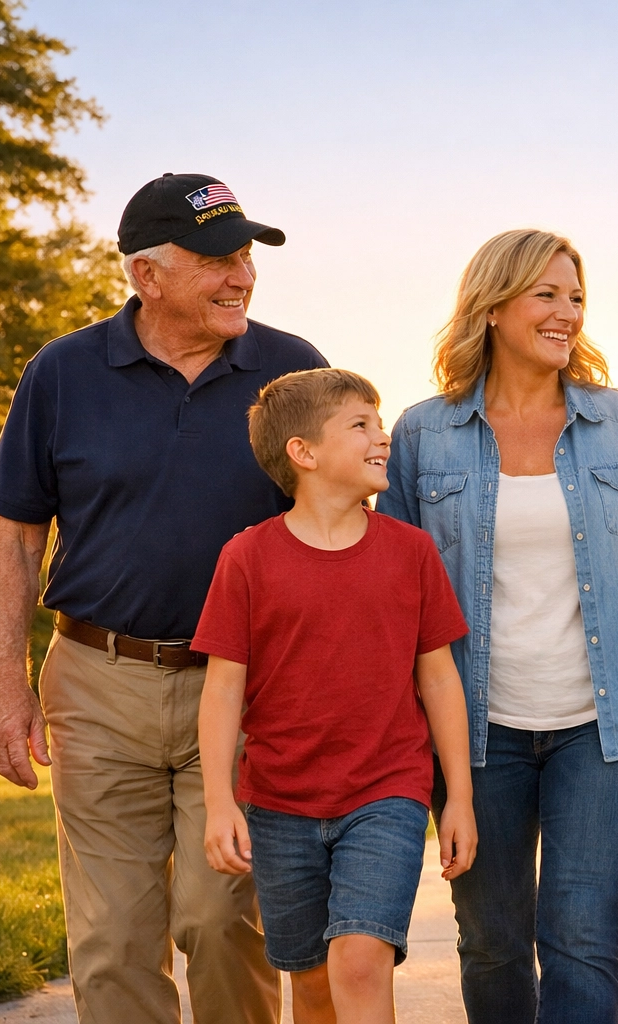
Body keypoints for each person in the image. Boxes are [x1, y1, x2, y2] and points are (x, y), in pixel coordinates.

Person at [0, 173, 327, 1023]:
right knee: (112, 941)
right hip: (98, 680)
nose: (241, 274)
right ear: (147, 275)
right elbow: (15, 540)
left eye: (247, 254)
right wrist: (6, 689)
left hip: (243, 688)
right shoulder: (62, 372)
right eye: (217, 258)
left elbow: (335, 533)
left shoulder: (294, 371)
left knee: (219, 918)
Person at [379, 228, 618, 1023]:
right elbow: (397, 601)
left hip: (604, 731)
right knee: (494, 941)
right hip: (476, 733)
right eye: (547, 294)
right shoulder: (420, 433)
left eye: (576, 297)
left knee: (581, 936)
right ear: (493, 305)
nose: (567, 312)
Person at [191, 368, 476, 1024]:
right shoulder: (247, 559)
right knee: (313, 984)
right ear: (304, 452)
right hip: (279, 803)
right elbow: (222, 690)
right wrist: (217, 804)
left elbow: (438, 678)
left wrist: (455, 796)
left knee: (359, 957)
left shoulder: (411, 552)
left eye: (379, 423)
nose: (383, 437)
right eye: (362, 425)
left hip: (386, 792)